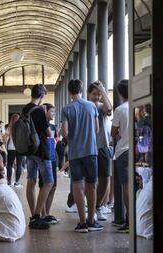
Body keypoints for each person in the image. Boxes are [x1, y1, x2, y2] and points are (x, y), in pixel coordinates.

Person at [60, 79, 103, 233]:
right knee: (92, 185)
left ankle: (82, 222)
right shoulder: (92, 106)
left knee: (78, 185)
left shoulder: (66, 109)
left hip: (75, 153)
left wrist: (71, 135)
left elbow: (64, 133)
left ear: (69, 91)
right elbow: (97, 129)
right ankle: (92, 220)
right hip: (91, 151)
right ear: (82, 89)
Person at [22, 84, 54, 230]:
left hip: (29, 151)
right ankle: (36, 216)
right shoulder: (40, 111)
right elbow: (48, 133)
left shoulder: (25, 109)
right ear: (41, 96)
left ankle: (33, 214)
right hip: (41, 151)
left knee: (31, 181)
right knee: (48, 182)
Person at [87, 81, 113, 221]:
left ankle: (98, 206)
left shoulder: (101, 107)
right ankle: (92, 207)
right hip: (88, 147)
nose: (97, 97)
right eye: (94, 94)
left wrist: (103, 90)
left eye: (98, 94)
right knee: (90, 180)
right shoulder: (85, 107)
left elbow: (109, 108)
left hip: (102, 146)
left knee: (105, 178)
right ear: (88, 94)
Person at [111, 79, 130, 233]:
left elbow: (113, 132)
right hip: (137, 151)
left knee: (126, 186)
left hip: (123, 151)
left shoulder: (120, 110)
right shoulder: (138, 107)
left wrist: (117, 134)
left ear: (120, 93)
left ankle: (129, 220)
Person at [38, 103, 58, 224]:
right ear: (45, 111)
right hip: (44, 158)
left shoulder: (53, 126)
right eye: (51, 111)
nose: (53, 114)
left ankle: (47, 213)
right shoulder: (41, 126)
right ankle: (43, 213)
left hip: (53, 158)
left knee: (54, 186)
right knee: (44, 185)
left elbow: (55, 141)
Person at [3, 113, 23, 187]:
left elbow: (4, 138)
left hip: (11, 148)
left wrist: (5, 143)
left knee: (10, 165)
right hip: (20, 148)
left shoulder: (9, 127)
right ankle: (17, 182)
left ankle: (8, 182)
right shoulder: (22, 127)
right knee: (19, 165)